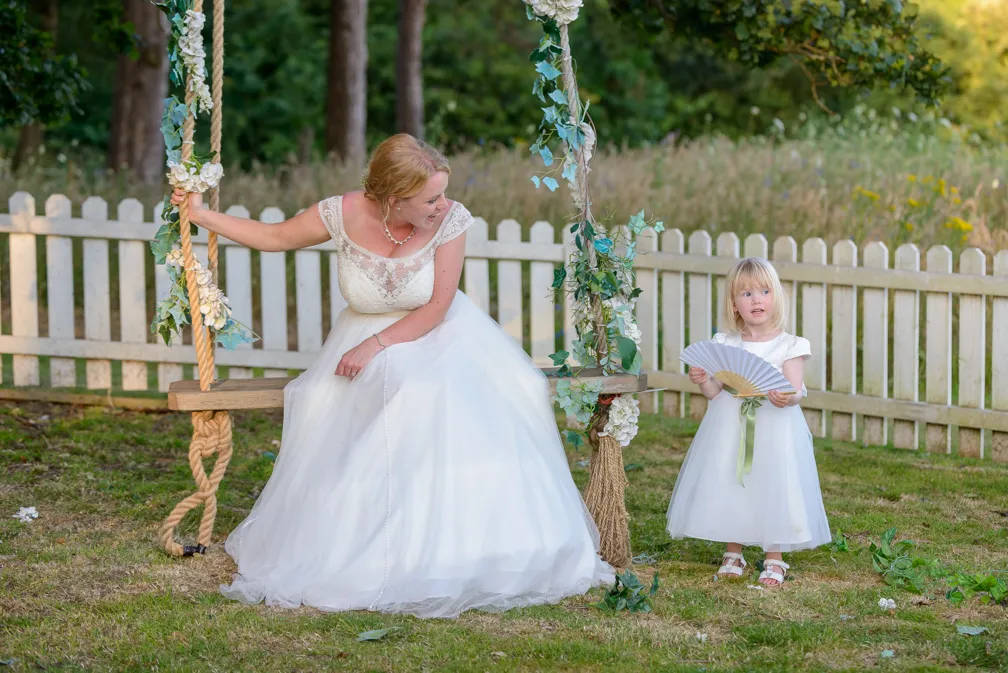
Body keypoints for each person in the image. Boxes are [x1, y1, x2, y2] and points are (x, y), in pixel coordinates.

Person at [169, 134, 613, 618]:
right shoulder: (342, 213)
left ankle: (455, 544)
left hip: (438, 333)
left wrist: (376, 345)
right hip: (360, 335)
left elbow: (438, 306)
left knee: (444, 389)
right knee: (335, 398)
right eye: (430, 199)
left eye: (442, 194)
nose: (442, 206)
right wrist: (200, 215)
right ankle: (361, 539)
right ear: (393, 198)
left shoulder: (451, 221)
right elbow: (274, 238)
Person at [665, 257, 830, 587]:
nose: (757, 300)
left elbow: (795, 390)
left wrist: (786, 397)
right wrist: (702, 379)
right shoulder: (725, 344)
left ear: (776, 297)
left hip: (775, 426)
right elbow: (715, 393)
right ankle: (733, 551)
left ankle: (774, 555)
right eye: (747, 294)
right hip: (730, 424)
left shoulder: (790, 345)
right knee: (731, 479)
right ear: (734, 304)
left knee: (774, 482)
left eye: (764, 291)